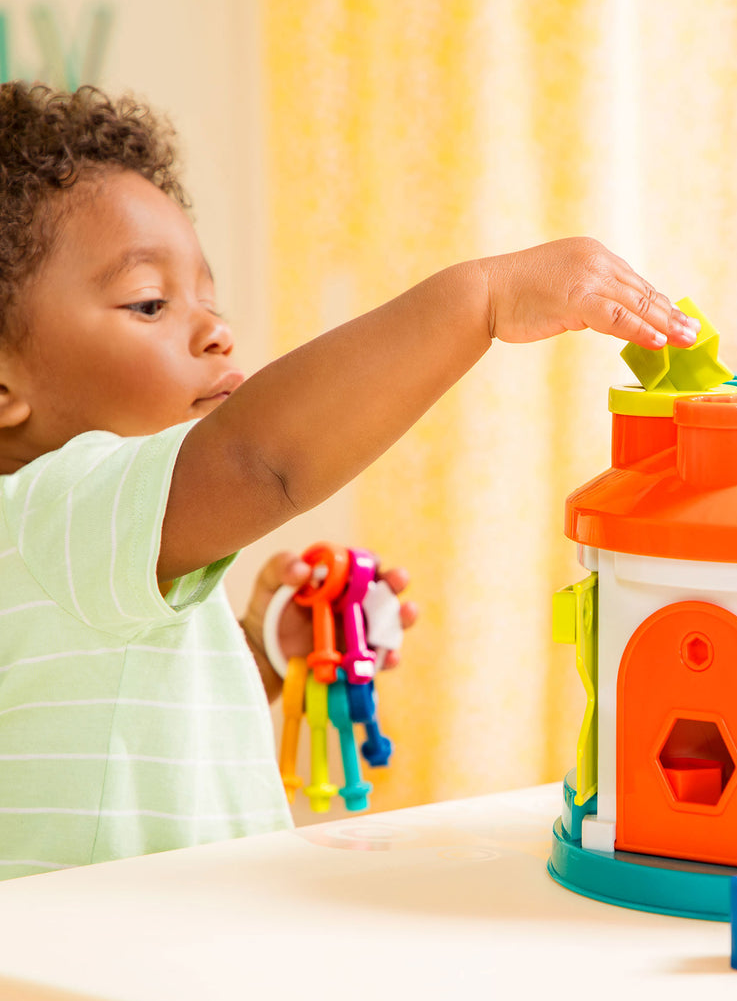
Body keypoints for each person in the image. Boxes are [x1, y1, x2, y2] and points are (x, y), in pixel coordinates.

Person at [0, 82, 700, 879]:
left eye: (209, 297)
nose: (216, 330)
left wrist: (260, 655)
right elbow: (258, 461)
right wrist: (481, 299)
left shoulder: (63, 552)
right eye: (150, 302)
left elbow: (105, 729)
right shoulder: (52, 509)